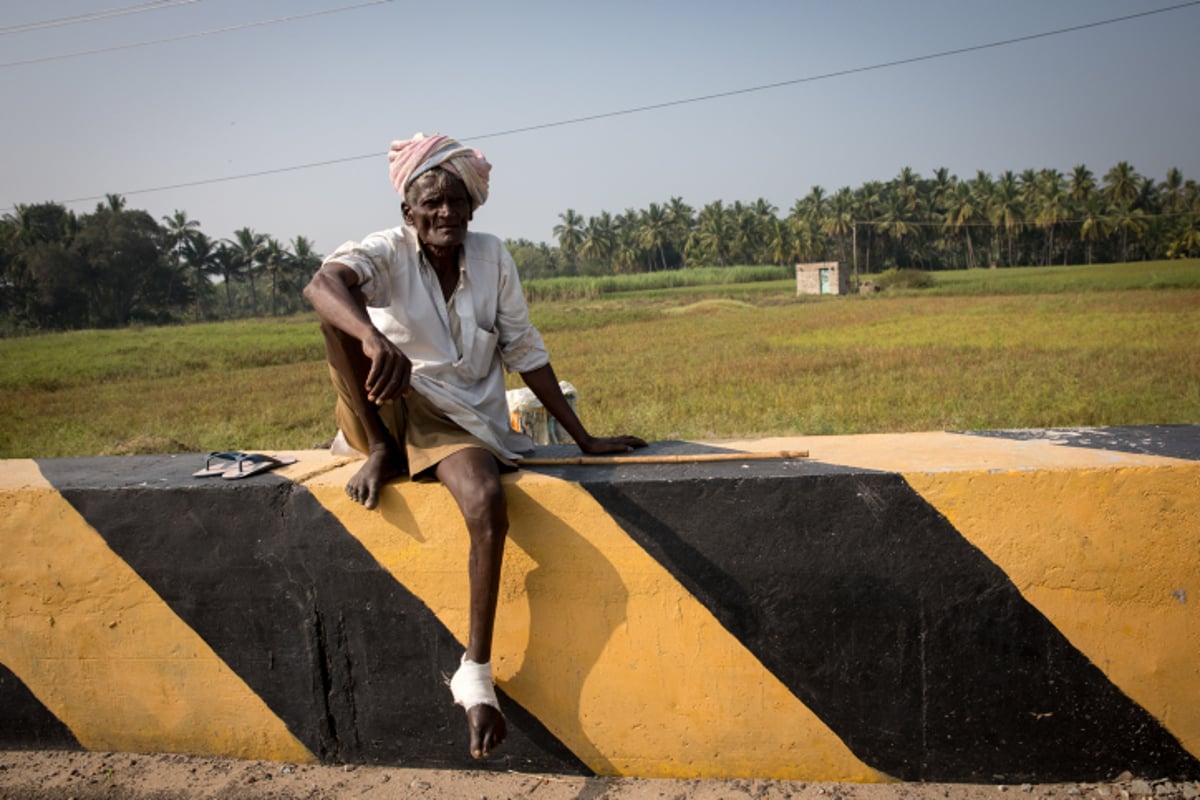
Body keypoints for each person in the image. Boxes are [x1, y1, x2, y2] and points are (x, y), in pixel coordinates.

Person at [303, 133, 646, 760]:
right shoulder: (386, 251)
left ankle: (476, 672)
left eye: (457, 202)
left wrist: (583, 437)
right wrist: (375, 341)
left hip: (455, 420)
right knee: (338, 314)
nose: (446, 214)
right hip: (382, 402)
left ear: (473, 208)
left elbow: (525, 350)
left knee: (486, 501)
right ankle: (379, 448)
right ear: (408, 213)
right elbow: (322, 285)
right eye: (431, 202)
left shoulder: (491, 258)